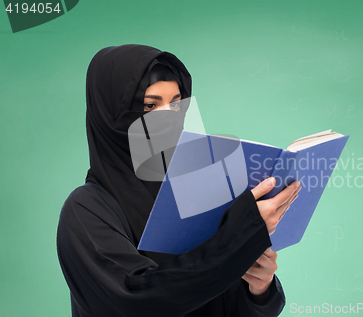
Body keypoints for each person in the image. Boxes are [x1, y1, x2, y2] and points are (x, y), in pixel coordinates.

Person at [56, 44, 301, 317]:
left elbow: (219, 302)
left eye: (176, 103)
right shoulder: (85, 210)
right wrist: (240, 234)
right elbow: (137, 302)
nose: (169, 118)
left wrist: (259, 289)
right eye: (150, 105)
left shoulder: (195, 191)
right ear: (110, 116)